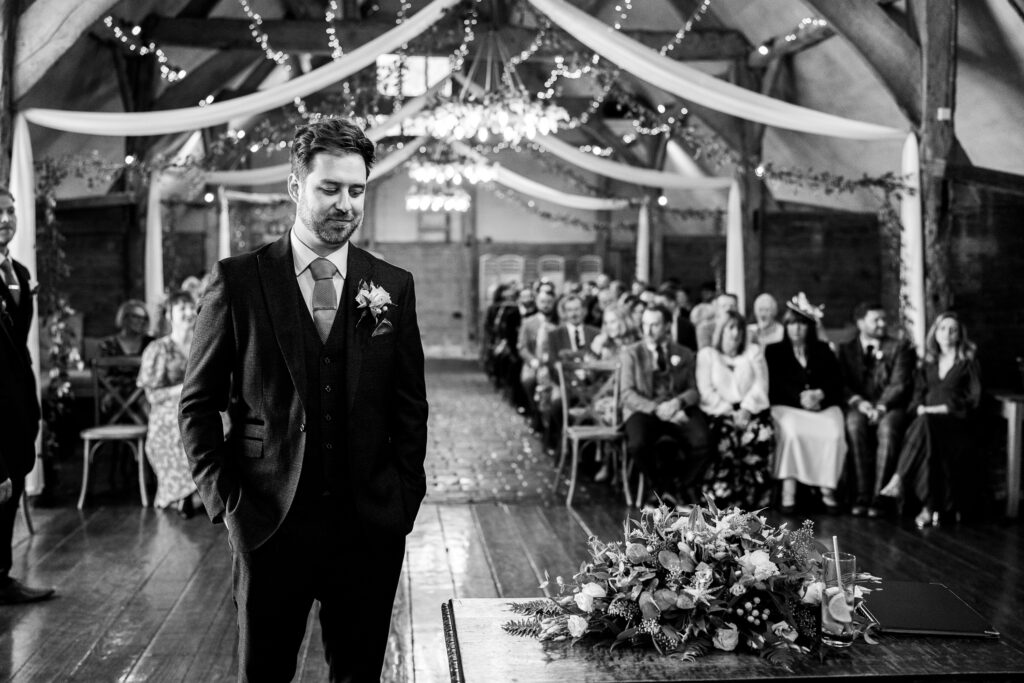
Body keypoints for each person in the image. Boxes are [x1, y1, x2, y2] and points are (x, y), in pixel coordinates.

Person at [179, 118, 428, 682]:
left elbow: (410, 405)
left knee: (359, 675)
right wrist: (227, 503)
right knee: (263, 674)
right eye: (330, 188)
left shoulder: (391, 286)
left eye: (357, 190)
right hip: (268, 519)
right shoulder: (238, 282)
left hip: (369, 526)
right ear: (295, 187)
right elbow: (197, 404)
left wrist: (403, 499)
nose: (346, 204)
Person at [0, 185, 55, 605]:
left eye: (10, 212)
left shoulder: (17, 271)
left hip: (19, 401)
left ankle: (3, 576)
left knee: (15, 479)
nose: (5, 219)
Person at [880, 313, 981, 528]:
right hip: (927, 425)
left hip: (956, 425)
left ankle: (900, 479)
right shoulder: (927, 364)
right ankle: (929, 507)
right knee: (926, 433)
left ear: (959, 334)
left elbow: (975, 399)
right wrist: (920, 409)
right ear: (935, 332)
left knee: (926, 425)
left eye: (953, 329)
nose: (947, 333)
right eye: (943, 328)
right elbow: (916, 399)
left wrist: (944, 408)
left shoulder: (967, 363)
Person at [620, 305, 711, 506]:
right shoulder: (632, 353)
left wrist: (678, 403)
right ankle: (660, 488)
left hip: (676, 408)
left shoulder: (684, 353)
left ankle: (682, 486)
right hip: (644, 409)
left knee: (702, 441)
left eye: (654, 325)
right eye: (645, 324)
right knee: (638, 444)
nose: (648, 330)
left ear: (668, 326)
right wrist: (656, 409)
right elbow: (627, 393)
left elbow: (694, 391)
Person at [765, 293, 847, 513]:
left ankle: (827, 490)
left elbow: (837, 382)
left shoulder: (823, 350)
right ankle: (788, 491)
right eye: (792, 324)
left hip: (822, 406)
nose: (797, 330)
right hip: (788, 406)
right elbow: (773, 385)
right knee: (792, 432)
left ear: (809, 327)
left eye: (801, 325)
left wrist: (820, 395)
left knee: (833, 432)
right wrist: (800, 398)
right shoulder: (773, 351)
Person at [837, 302, 915, 517]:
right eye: (876, 320)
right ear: (860, 323)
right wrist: (859, 402)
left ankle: (880, 497)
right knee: (853, 424)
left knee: (888, 429)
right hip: (859, 405)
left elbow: (900, 383)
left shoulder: (899, 347)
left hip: (890, 406)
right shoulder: (846, 349)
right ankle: (862, 494)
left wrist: (881, 406)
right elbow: (841, 382)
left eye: (883, 319)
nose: (882, 324)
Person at [697, 312, 774, 509]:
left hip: (751, 410)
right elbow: (706, 390)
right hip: (719, 412)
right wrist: (730, 412)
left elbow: (761, 384)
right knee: (725, 439)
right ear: (721, 331)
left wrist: (746, 410)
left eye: (739, 328)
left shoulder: (754, 352)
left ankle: (754, 499)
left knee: (761, 435)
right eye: (731, 327)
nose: (735, 333)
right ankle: (723, 499)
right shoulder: (708, 355)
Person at [137, 291, 202, 517]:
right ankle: (183, 495)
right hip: (168, 410)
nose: (187, 312)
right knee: (178, 429)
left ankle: (201, 494)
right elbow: (152, 395)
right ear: (169, 315)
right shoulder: (158, 349)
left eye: (189, 306)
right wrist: (182, 390)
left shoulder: (204, 344)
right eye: (180, 308)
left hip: (203, 406)